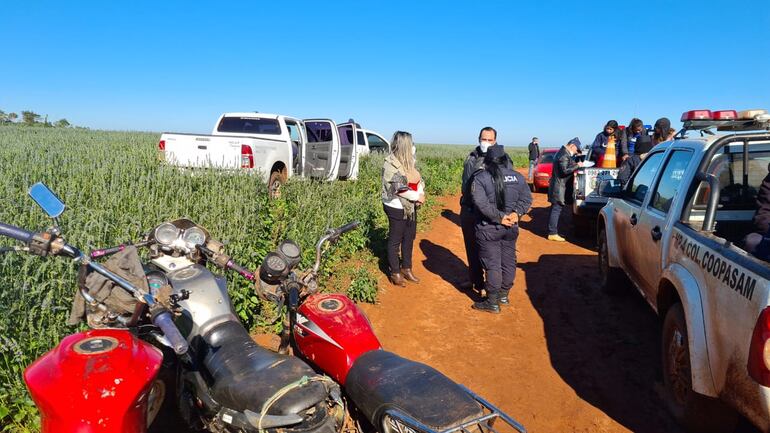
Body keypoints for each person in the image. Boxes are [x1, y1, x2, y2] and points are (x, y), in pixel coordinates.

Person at [470, 144, 532, 313]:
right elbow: (527, 199)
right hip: (511, 228)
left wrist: (499, 217)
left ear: (487, 161)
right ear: (505, 159)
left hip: (489, 228)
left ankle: (492, 301)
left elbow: (481, 204)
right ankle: (504, 295)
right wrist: (516, 214)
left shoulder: (481, 178)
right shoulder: (518, 177)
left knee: (492, 264)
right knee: (508, 260)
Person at [459, 127, 511, 293]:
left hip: (488, 211)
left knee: (488, 250)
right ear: (478, 138)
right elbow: (465, 182)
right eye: (483, 139)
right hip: (469, 209)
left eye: (489, 139)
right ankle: (476, 281)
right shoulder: (472, 157)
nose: (486, 142)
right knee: (471, 247)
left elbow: (505, 186)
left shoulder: (503, 159)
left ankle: (490, 287)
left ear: (495, 141)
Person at [381, 131, 425, 286]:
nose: (413, 146)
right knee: (395, 239)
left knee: (409, 237)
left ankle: (407, 268)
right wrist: (416, 197)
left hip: (410, 206)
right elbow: (399, 188)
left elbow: (418, 180)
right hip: (396, 206)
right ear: (406, 146)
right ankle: (395, 272)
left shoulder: (409, 161)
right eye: (411, 143)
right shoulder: (390, 163)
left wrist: (420, 192)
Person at [547, 137, 585, 241]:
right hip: (558, 187)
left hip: (558, 186)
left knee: (556, 209)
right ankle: (552, 233)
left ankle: (552, 231)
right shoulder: (563, 155)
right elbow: (565, 171)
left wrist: (577, 159)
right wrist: (578, 165)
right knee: (556, 209)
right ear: (572, 146)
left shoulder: (563, 153)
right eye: (576, 149)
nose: (576, 151)